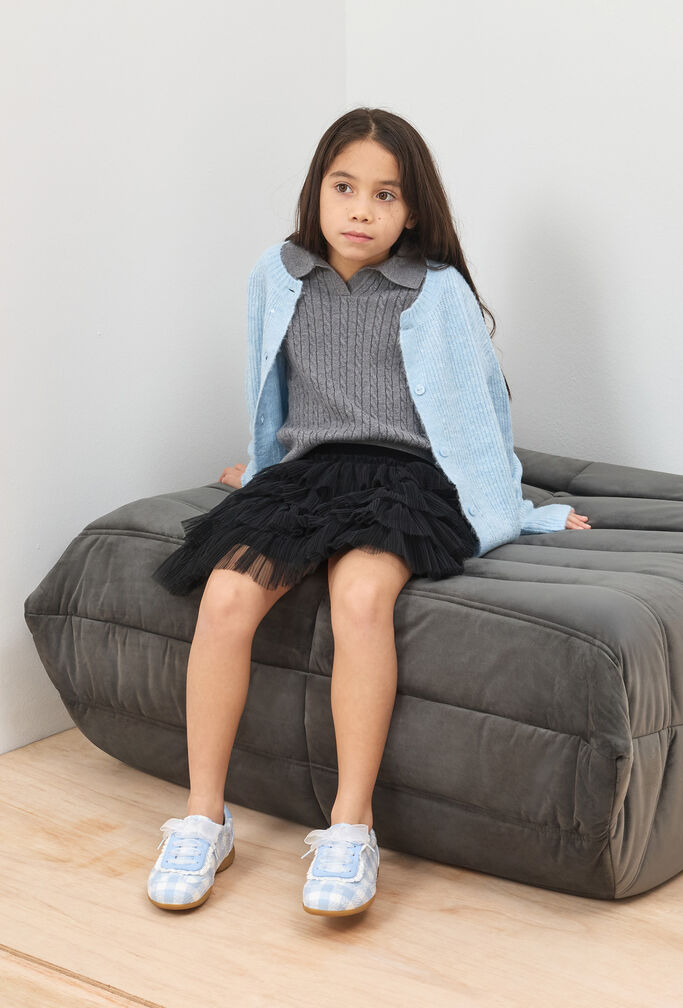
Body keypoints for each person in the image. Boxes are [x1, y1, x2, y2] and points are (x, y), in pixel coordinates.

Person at [146, 106, 592, 918]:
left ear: (412, 210)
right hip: (310, 473)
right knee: (225, 596)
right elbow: (270, 392)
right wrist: (261, 470)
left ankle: (350, 827)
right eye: (344, 188)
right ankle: (204, 817)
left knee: (360, 598)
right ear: (317, 192)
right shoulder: (278, 275)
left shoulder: (437, 290)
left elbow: (478, 415)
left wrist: (519, 510)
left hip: (406, 478)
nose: (361, 210)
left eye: (385, 195)